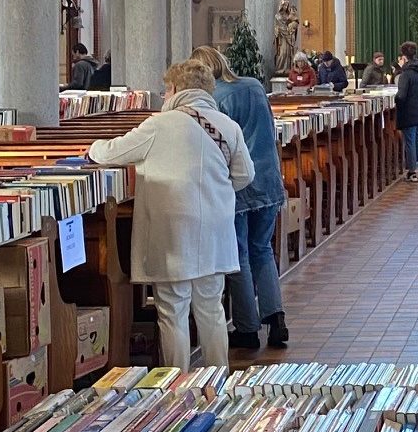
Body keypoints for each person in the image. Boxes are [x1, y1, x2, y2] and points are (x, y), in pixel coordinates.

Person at [87, 61, 253, 369]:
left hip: (171, 231)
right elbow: (244, 175)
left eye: (166, 88)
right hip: (214, 230)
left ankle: (177, 384)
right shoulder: (227, 125)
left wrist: (91, 148)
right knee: (211, 308)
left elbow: (112, 153)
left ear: (175, 89)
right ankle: (218, 377)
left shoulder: (159, 125)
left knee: (173, 309)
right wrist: (215, 188)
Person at [189, 45, 289, 351]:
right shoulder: (255, 86)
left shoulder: (214, 99)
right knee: (263, 249)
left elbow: (218, 145)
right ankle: (276, 318)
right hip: (269, 176)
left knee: (240, 254)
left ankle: (247, 328)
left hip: (238, 183)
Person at [395, 43, 418, 182]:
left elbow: (402, 96)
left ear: (404, 57)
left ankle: (412, 172)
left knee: (410, 142)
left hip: (409, 112)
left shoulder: (406, 74)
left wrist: (395, 99)